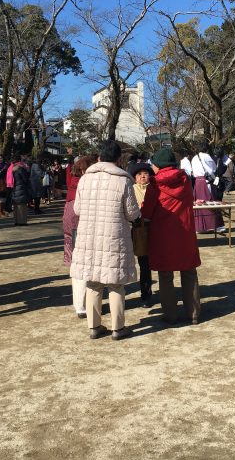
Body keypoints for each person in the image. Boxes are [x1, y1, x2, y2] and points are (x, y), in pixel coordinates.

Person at [70, 140, 141, 341]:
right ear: (118, 159)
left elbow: (77, 210)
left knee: (93, 283)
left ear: (100, 157)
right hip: (114, 237)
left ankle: (94, 326)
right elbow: (132, 212)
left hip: (89, 237)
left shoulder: (85, 179)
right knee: (116, 284)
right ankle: (118, 328)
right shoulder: (123, 180)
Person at [142, 148, 202, 324]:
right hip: (185, 232)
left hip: (163, 235)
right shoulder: (185, 180)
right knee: (189, 271)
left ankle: (170, 314)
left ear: (158, 166)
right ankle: (194, 313)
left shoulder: (154, 185)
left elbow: (147, 211)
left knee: (165, 275)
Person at [62, 155, 97, 319]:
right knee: (85, 266)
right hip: (81, 227)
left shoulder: (72, 185)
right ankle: (84, 304)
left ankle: (79, 304)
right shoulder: (86, 184)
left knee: (76, 267)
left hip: (70, 229)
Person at [127, 162, 154, 308]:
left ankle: (149, 294)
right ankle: (143, 295)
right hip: (137, 230)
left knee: (151, 263)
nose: (142, 176)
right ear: (134, 177)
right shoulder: (131, 190)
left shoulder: (155, 189)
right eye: (139, 174)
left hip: (153, 229)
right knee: (139, 264)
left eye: (145, 173)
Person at [191, 142, 224, 233]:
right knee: (210, 201)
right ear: (206, 148)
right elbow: (213, 169)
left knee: (198, 203)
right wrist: (214, 178)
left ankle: (199, 227)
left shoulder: (194, 158)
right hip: (206, 182)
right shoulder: (207, 156)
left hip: (198, 182)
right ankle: (214, 225)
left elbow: (193, 171)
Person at [11, 155, 31, 225]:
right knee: (22, 206)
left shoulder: (12, 168)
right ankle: (22, 222)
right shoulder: (20, 168)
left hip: (14, 188)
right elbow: (25, 179)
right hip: (21, 188)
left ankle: (16, 221)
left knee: (16, 206)